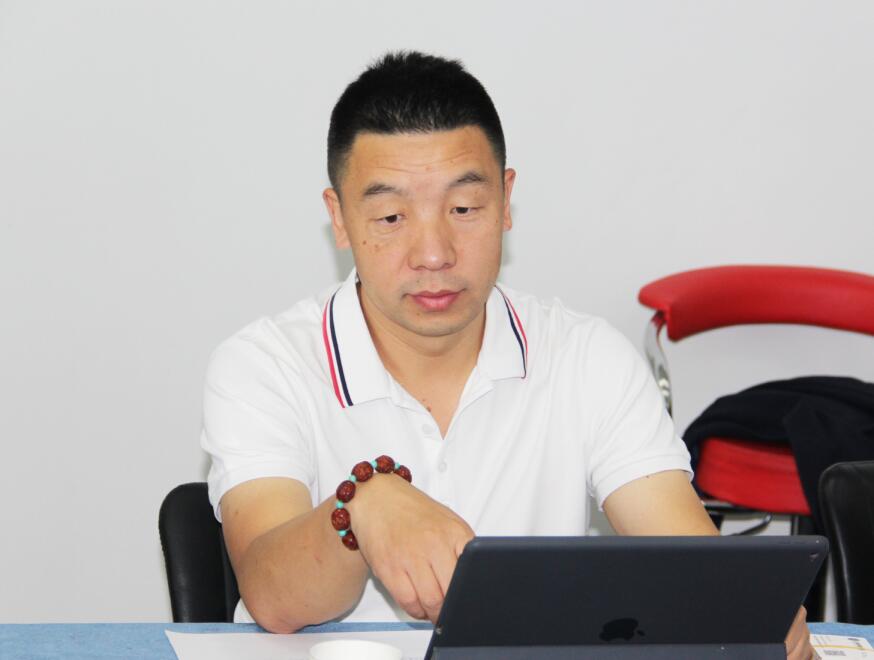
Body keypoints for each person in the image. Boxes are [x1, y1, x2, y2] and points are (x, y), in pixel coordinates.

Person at [200, 51, 812, 658]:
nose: (434, 253)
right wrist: (361, 506)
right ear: (338, 218)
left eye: (464, 209)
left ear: (506, 198)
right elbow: (271, 594)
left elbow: (689, 563)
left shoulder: (586, 358)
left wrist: (744, 610)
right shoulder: (264, 365)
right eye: (390, 216)